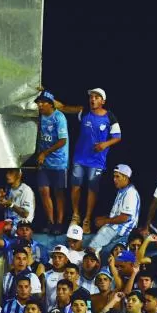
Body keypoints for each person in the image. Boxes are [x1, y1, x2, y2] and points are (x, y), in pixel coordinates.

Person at [54, 88, 122, 233]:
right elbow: (64, 108)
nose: (93, 99)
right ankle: (76, 215)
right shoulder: (84, 111)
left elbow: (117, 136)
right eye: (91, 97)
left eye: (97, 97)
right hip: (80, 157)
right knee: (76, 186)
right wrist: (48, 96)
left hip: (97, 161)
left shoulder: (110, 117)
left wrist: (105, 144)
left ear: (103, 101)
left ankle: (87, 219)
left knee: (92, 189)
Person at [34, 90, 70, 233]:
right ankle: (50, 221)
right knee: (43, 190)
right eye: (38, 102)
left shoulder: (59, 118)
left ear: (50, 104)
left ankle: (59, 223)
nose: (40, 105)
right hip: (44, 162)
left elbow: (62, 141)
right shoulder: (39, 117)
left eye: (43, 102)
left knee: (58, 193)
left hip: (59, 162)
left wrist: (45, 153)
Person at [88, 165, 140, 255]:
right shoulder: (122, 191)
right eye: (114, 176)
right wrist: (104, 218)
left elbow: (124, 218)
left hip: (123, 230)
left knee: (92, 249)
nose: (114, 179)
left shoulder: (130, 193)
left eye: (117, 176)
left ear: (125, 177)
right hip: (116, 227)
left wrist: (105, 221)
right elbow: (117, 214)